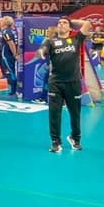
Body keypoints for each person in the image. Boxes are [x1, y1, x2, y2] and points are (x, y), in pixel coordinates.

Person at [39, 16, 93, 152]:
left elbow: (87, 24)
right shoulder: (51, 41)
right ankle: (55, 142)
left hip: (73, 82)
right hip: (56, 83)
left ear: (69, 27)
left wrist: (73, 21)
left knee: (75, 113)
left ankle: (75, 138)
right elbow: (43, 49)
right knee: (54, 113)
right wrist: (42, 52)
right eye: (59, 23)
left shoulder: (76, 39)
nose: (61, 24)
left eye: (64, 23)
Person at [0, 16, 19, 96]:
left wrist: (15, 54)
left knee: (10, 72)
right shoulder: (13, 31)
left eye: (2, 21)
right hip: (10, 54)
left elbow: (11, 43)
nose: (1, 22)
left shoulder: (5, 31)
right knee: (12, 71)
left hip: (7, 55)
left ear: (5, 22)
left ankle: (12, 91)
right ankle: (14, 90)